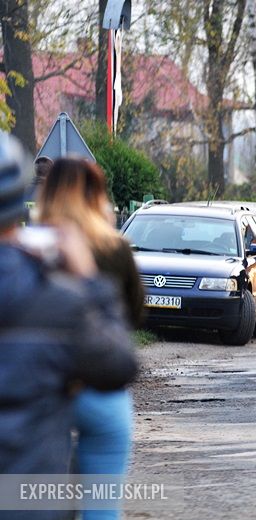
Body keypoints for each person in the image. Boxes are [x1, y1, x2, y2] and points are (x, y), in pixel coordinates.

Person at [0, 134, 137, 518]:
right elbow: (120, 363)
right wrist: (90, 281)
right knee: (111, 430)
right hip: (28, 495)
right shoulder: (61, 289)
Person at [37, 158, 144, 520]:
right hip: (100, 389)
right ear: (98, 197)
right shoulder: (115, 248)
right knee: (103, 506)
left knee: (34, 500)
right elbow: (133, 317)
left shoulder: (31, 248)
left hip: (42, 387)